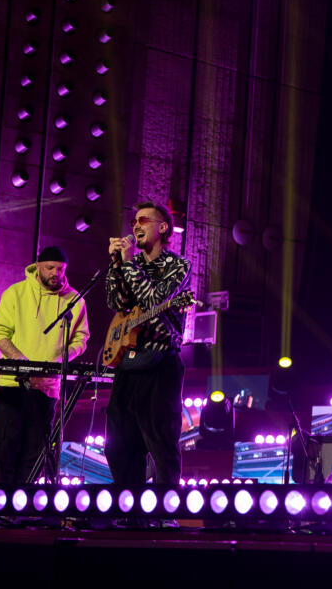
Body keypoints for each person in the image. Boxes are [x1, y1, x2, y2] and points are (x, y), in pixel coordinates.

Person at [105, 201, 191, 484]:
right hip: (128, 363)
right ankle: (127, 504)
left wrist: (128, 263)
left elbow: (153, 300)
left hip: (161, 363)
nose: (135, 226)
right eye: (134, 222)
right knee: (118, 446)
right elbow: (116, 303)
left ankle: (166, 504)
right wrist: (116, 265)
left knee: (161, 444)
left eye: (143, 221)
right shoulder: (130, 264)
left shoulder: (178, 265)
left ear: (162, 227)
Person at [0, 246, 90, 482]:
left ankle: (25, 502)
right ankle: (0, 501)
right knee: (4, 449)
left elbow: (81, 339)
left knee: (35, 453)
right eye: (50, 268)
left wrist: (59, 359)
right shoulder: (15, 293)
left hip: (47, 388)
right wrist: (20, 360)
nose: (56, 273)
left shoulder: (75, 300)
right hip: (12, 385)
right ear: (38, 266)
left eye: (60, 269)